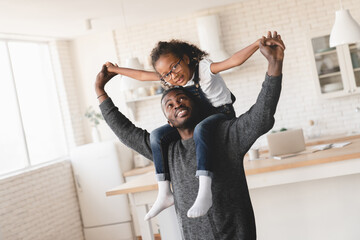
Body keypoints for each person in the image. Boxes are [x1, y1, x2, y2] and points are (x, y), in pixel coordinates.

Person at [95, 31, 285, 239]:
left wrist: (273, 64)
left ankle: (204, 191)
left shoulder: (227, 136)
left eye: (182, 99)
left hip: (237, 234)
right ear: (169, 120)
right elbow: (126, 132)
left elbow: (262, 114)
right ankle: (163, 192)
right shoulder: (167, 150)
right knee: (157, 135)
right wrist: (101, 89)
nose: (177, 104)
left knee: (203, 129)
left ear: (196, 102)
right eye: (169, 105)